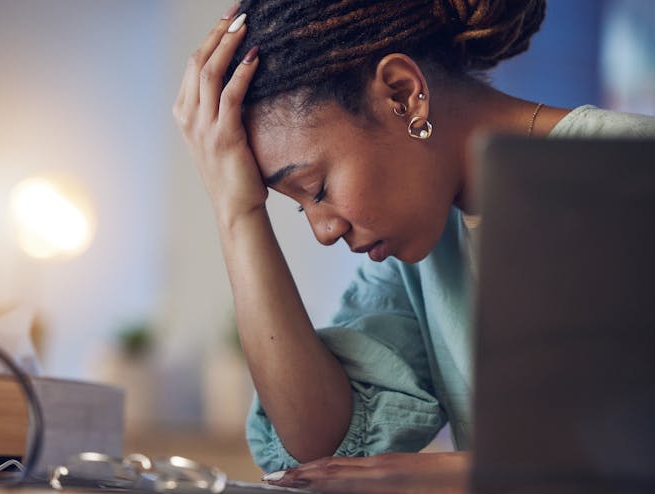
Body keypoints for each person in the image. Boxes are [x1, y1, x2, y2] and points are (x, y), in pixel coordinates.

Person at [173, 0, 655, 490]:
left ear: (403, 94)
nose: (323, 231)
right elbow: (319, 441)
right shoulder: (418, 253)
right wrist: (238, 212)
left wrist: (478, 474)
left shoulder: (637, 171)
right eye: (300, 206)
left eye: (316, 189)